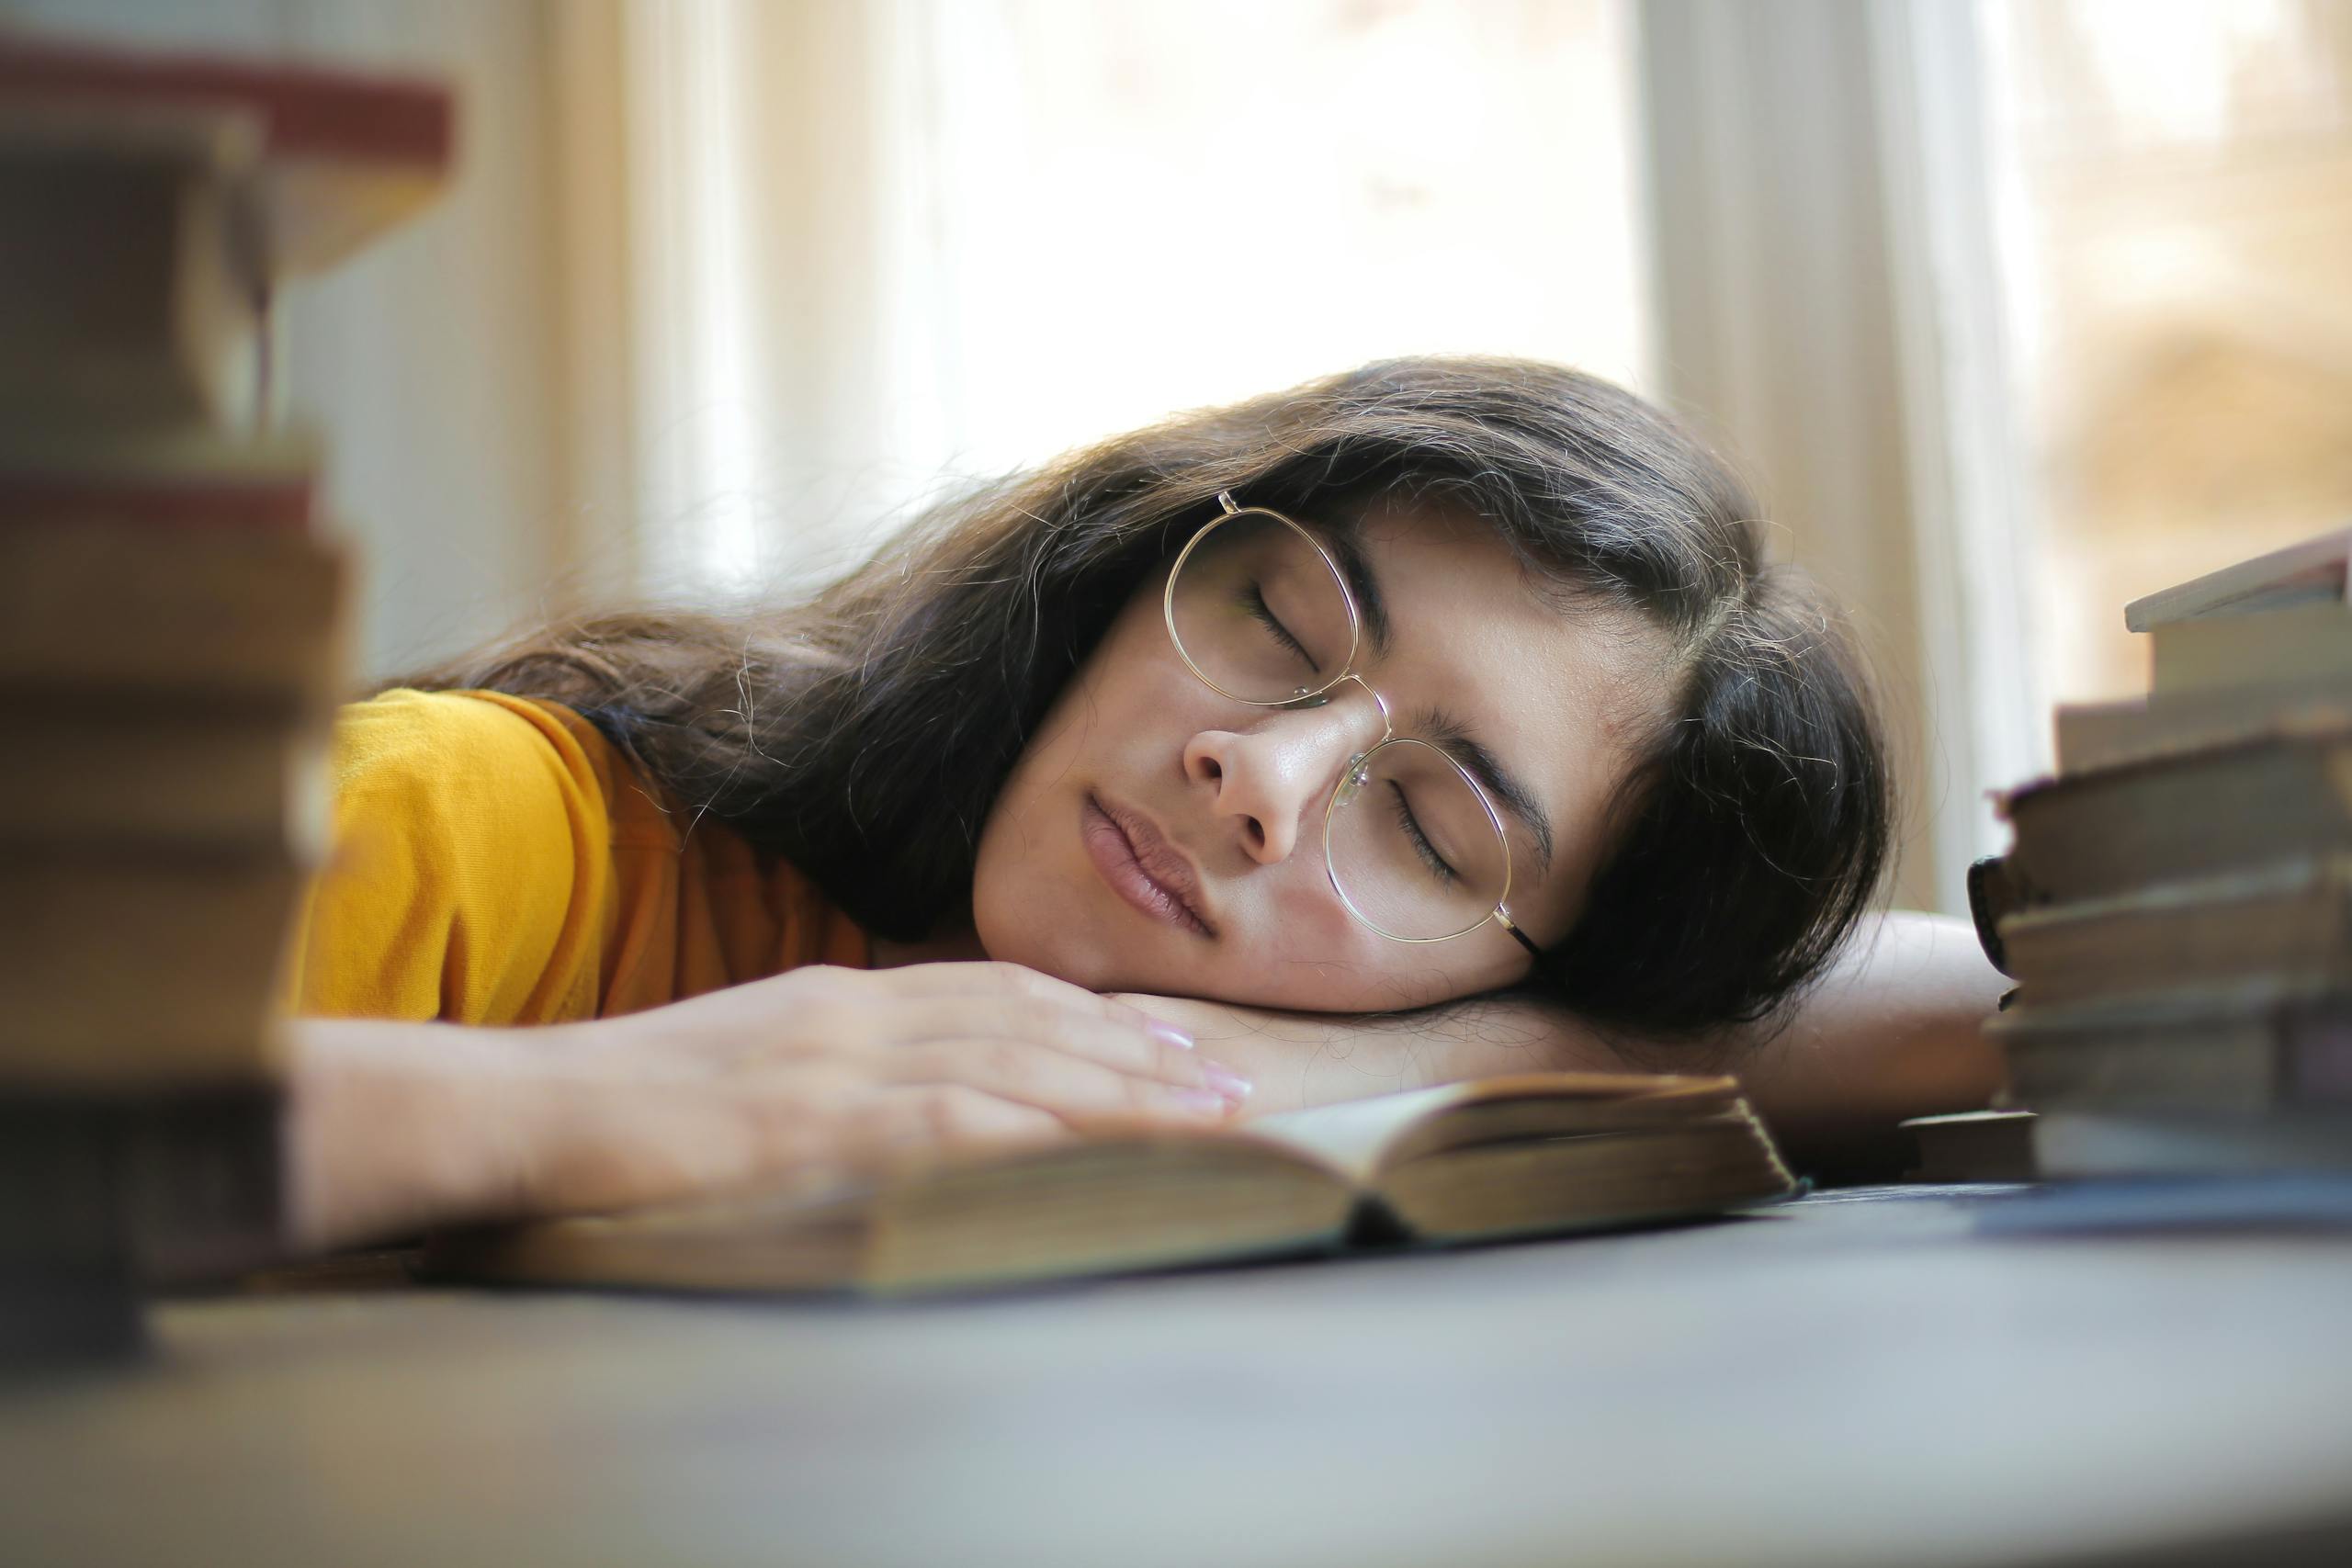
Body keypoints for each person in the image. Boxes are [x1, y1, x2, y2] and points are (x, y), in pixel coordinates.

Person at [281, 357, 2006, 1253]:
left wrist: (1480, 1060)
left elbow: (1990, 999)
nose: (1257, 776)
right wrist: (558, 1111)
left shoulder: (1441, 1020)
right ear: (1135, 559)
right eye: (1270, 622)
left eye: (1425, 832)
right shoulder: (480, 823)